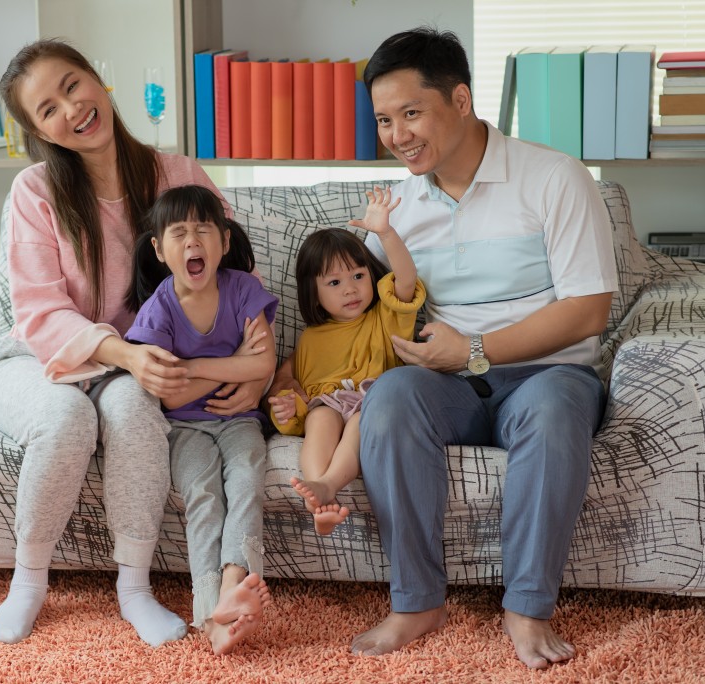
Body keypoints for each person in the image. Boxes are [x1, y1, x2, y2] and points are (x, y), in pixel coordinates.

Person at [268, 28, 617, 669]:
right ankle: (416, 602)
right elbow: (355, 314)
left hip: (548, 374)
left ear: (460, 99)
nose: (397, 134)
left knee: (552, 411)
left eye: (411, 113)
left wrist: (475, 349)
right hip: (446, 385)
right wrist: (285, 375)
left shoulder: (554, 178)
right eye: (384, 120)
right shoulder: (397, 209)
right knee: (391, 396)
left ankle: (527, 607)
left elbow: (589, 310)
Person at [0, 39, 266, 647]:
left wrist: (258, 372)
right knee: (65, 418)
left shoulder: (178, 174)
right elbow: (38, 312)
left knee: (136, 411)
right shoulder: (36, 191)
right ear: (40, 132)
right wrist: (126, 354)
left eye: (72, 85)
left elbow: (240, 275)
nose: (71, 109)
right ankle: (28, 581)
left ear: (96, 78)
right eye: (48, 109)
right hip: (36, 359)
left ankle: (134, 589)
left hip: (127, 369)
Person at [125, 184, 277, 655]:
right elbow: (169, 396)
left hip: (239, 418)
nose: (192, 241)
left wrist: (192, 369)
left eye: (203, 230)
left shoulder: (242, 289)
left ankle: (233, 585)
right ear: (159, 249)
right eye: (179, 233)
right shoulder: (159, 309)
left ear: (224, 241)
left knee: (247, 479)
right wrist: (233, 362)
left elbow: (262, 363)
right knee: (204, 496)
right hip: (184, 428)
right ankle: (210, 616)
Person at [266, 189, 426, 536]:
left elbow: (406, 280)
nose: (350, 289)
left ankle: (328, 485)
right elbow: (296, 395)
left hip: (372, 404)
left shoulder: (384, 318)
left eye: (358, 276)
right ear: (314, 294)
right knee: (320, 419)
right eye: (335, 282)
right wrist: (286, 406)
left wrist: (385, 232)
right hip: (328, 405)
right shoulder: (310, 340)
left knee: (357, 422)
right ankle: (317, 496)